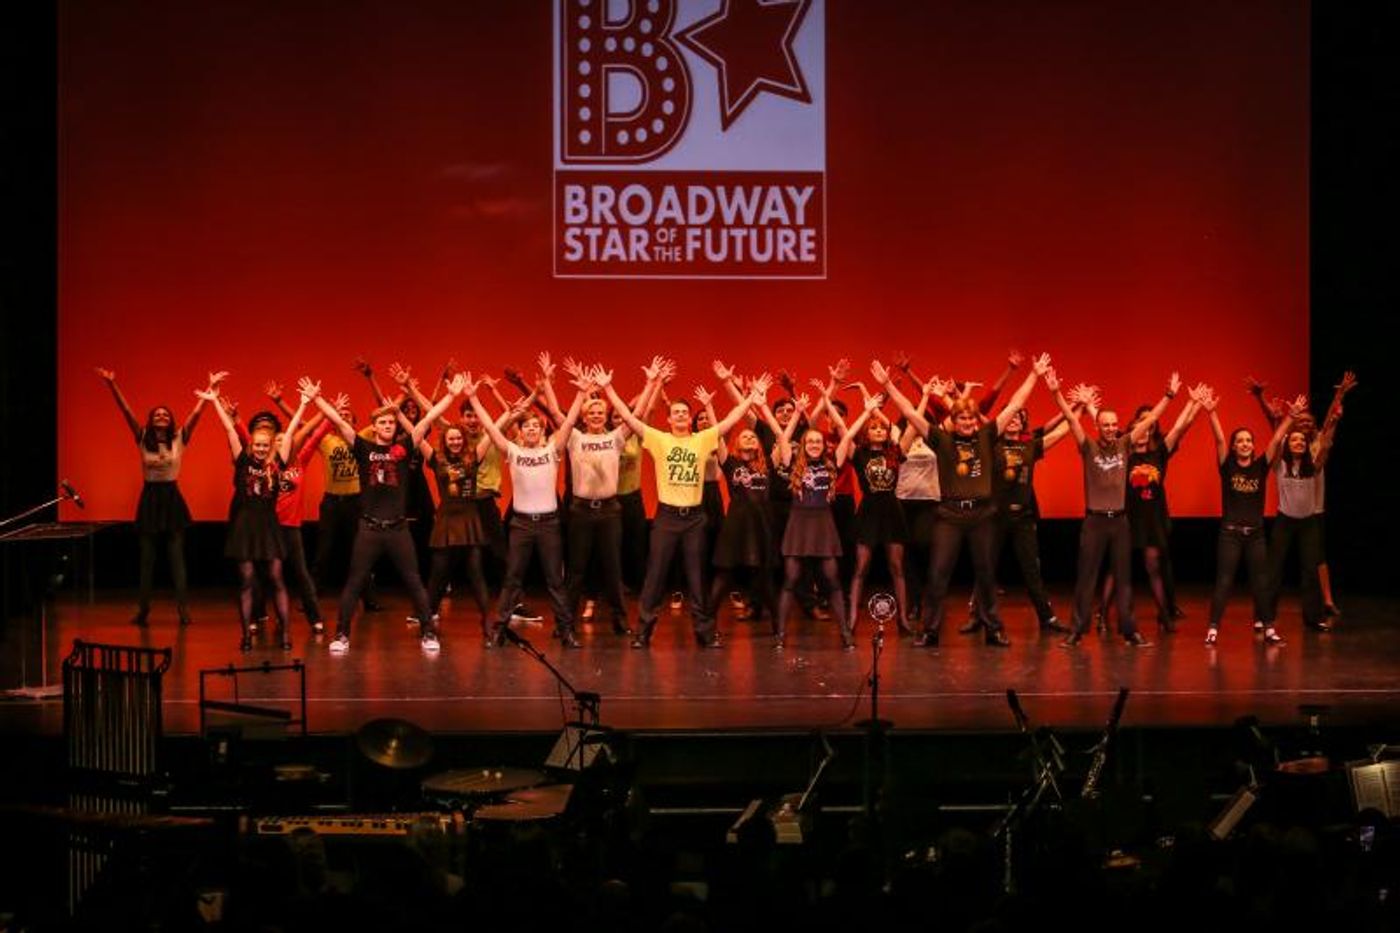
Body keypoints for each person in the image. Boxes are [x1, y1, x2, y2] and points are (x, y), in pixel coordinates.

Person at [872, 355, 1049, 648]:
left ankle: (993, 629)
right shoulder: (942, 440)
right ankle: (930, 631)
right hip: (950, 514)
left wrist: (1033, 375)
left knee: (986, 573)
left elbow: (1015, 405)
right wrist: (888, 385)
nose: (967, 422)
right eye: (961, 419)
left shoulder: (986, 435)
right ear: (953, 421)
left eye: (970, 418)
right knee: (938, 573)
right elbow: (910, 413)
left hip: (982, 515)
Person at [600, 366, 765, 649]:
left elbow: (731, 419)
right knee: (655, 576)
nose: (680, 415)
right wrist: (609, 388)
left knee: (696, 576)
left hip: (694, 519)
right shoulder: (659, 439)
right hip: (666, 518)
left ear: (690, 419)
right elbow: (630, 417)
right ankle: (643, 632)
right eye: (675, 412)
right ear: (669, 418)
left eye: (684, 413)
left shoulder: (702, 439)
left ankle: (703, 631)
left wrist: (751, 397)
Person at [311, 375, 466, 654]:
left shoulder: (403, 448)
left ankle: (429, 633)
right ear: (374, 427)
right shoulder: (363, 447)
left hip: (397, 529)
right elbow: (341, 422)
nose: (387, 425)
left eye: (391, 422)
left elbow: (428, 418)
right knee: (355, 581)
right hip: (369, 529)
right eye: (382, 422)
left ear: (396, 426)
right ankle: (342, 634)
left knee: (413, 581)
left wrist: (450, 397)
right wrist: (318, 400)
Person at [1045, 368, 1180, 647]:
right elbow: (1071, 418)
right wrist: (1057, 392)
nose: (1109, 428)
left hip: (1120, 523)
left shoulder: (1124, 445)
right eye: (1104, 424)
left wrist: (1169, 395)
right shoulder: (1088, 447)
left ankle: (1130, 631)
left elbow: (1151, 419)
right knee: (1086, 578)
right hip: (1094, 522)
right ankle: (1077, 631)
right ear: (1097, 426)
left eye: (1113, 424)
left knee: (1124, 579)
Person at [462, 367, 591, 647]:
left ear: (541, 431)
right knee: (512, 579)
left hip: (548, 524)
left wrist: (581, 393)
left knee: (555, 581)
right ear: (520, 432)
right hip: (521, 524)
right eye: (527, 427)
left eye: (536, 426)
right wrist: (473, 399)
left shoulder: (552, 451)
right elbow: (493, 429)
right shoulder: (514, 452)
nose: (532, 430)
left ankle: (566, 630)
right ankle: (499, 630)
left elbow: (568, 423)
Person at [96, 367, 225, 627]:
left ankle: (183, 609)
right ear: (151, 420)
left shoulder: (179, 438)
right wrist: (112, 384)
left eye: (165, 414)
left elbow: (196, 414)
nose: (162, 416)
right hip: (150, 498)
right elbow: (125, 412)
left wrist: (209, 388)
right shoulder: (143, 436)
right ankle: (143, 609)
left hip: (171, 497)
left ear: (170, 419)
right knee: (147, 560)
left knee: (177, 559)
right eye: (157, 414)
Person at [198, 378, 316, 651]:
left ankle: (285, 635)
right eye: (258, 445)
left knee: (276, 578)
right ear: (251, 445)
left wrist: (302, 405)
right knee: (247, 581)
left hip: (269, 527)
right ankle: (247, 636)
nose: (262, 449)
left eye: (266, 445)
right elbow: (229, 429)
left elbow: (290, 435)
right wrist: (215, 400)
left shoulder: (277, 464)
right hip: (244, 528)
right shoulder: (242, 462)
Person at [558, 356, 668, 635]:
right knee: (577, 570)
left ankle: (620, 620)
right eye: (591, 413)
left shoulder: (615, 438)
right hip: (581, 511)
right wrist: (581, 393)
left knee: (613, 567)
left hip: (609, 511)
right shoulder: (575, 438)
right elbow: (562, 418)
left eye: (600, 413)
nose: (596, 416)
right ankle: (565, 623)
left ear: (605, 416)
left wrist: (648, 383)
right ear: (584, 417)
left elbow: (636, 415)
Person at [1199, 386, 1299, 647]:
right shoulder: (1227, 466)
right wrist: (1212, 414)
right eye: (1240, 441)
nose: (1245, 444)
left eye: (1249, 441)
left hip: (1255, 535)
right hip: (1230, 534)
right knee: (1224, 581)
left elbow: (1276, 440)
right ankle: (1212, 629)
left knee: (1261, 583)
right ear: (1234, 446)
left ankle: (1268, 628)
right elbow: (1219, 440)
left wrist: (1291, 417)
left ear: (1253, 446)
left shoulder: (1260, 466)